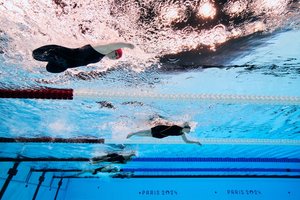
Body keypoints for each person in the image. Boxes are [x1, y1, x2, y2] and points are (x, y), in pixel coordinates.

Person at [32, 42, 135, 73]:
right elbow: (111, 45)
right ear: (115, 51)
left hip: (63, 62)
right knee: (35, 54)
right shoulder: (102, 49)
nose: (115, 58)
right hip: (62, 54)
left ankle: (55, 59)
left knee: (49, 68)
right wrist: (127, 45)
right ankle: (53, 56)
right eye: (116, 55)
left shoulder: (101, 55)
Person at [127, 122, 201, 145]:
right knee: (146, 131)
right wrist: (189, 123)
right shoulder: (179, 126)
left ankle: (134, 134)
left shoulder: (181, 134)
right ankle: (133, 133)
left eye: (189, 130)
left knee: (145, 135)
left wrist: (196, 142)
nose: (189, 131)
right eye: (188, 129)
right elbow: (185, 122)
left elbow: (186, 141)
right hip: (160, 128)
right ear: (185, 128)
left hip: (161, 135)